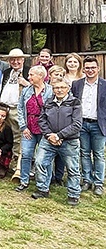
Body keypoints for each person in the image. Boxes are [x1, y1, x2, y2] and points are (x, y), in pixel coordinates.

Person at [32, 78, 82, 206]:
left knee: (72, 168)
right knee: (40, 162)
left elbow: (76, 124)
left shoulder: (75, 102)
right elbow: (42, 121)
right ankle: (42, 189)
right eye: (56, 88)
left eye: (62, 87)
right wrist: (49, 135)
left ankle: (73, 194)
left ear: (68, 88)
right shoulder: (48, 102)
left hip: (69, 141)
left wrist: (59, 136)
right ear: (52, 89)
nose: (59, 90)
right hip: (48, 140)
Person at [71, 56, 106, 196]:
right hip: (82, 123)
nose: (90, 70)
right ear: (83, 69)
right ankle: (87, 179)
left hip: (98, 124)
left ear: (98, 69)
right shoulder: (77, 84)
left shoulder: (104, 85)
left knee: (99, 154)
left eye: (93, 67)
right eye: (87, 68)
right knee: (84, 153)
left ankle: (98, 183)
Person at [14, 66, 53, 192]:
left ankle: (44, 182)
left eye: (32, 75)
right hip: (29, 128)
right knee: (26, 155)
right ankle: (24, 180)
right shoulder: (26, 91)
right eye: (29, 75)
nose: (29, 77)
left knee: (44, 157)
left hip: (44, 129)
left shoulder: (50, 91)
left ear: (41, 76)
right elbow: (20, 108)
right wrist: (23, 126)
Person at [0, 48, 31, 177]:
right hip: (4, 108)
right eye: (13, 59)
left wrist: (26, 83)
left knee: (19, 137)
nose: (15, 61)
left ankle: (19, 164)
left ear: (23, 60)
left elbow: (39, 90)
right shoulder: (7, 72)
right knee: (6, 136)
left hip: (18, 109)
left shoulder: (29, 71)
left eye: (18, 59)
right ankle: (6, 161)